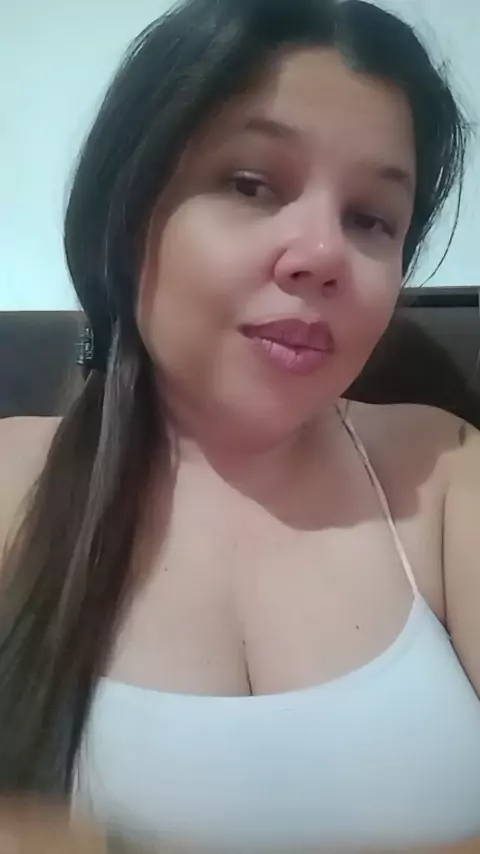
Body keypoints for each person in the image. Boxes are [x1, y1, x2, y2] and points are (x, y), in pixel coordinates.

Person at [1, 0, 480, 851]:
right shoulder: (11, 482)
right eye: (250, 184)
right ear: (128, 210)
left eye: (371, 218)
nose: (323, 255)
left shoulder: (441, 470)